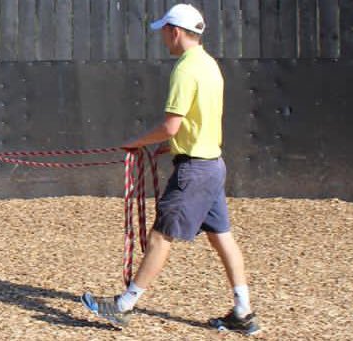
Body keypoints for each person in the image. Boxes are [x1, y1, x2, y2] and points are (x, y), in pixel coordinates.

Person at [80, 4, 261, 335]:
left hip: (194, 171)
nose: (163, 38)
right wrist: (173, 145)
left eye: (164, 31)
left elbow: (171, 125)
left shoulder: (185, 69)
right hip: (212, 165)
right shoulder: (209, 64)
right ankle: (243, 312)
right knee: (222, 237)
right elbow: (199, 120)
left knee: (161, 236)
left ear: (175, 32)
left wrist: (137, 143)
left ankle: (123, 305)